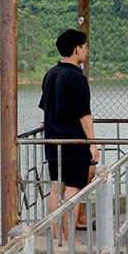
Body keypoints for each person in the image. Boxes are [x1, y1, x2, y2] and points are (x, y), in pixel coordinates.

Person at [39, 29, 99, 242]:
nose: (87, 50)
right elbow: (84, 116)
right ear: (76, 49)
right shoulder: (77, 78)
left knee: (56, 187)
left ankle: (56, 236)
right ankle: (69, 238)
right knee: (73, 190)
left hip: (53, 142)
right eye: (85, 46)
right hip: (74, 143)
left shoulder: (50, 74)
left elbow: (46, 108)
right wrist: (92, 143)